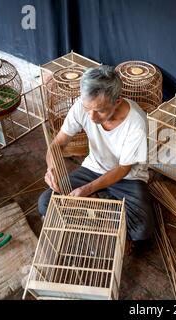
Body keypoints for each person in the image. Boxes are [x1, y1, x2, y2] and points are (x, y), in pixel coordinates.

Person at [38, 65, 155, 243]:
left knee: (142, 231)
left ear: (117, 101)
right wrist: (51, 167)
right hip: (93, 169)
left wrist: (87, 189)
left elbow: (124, 168)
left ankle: (94, 208)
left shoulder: (136, 122)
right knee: (46, 202)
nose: (92, 117)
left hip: (128, 178)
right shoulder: (82, 106)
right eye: (87, 108)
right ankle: (106, 219)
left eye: (100, 110)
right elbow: (57, 144)